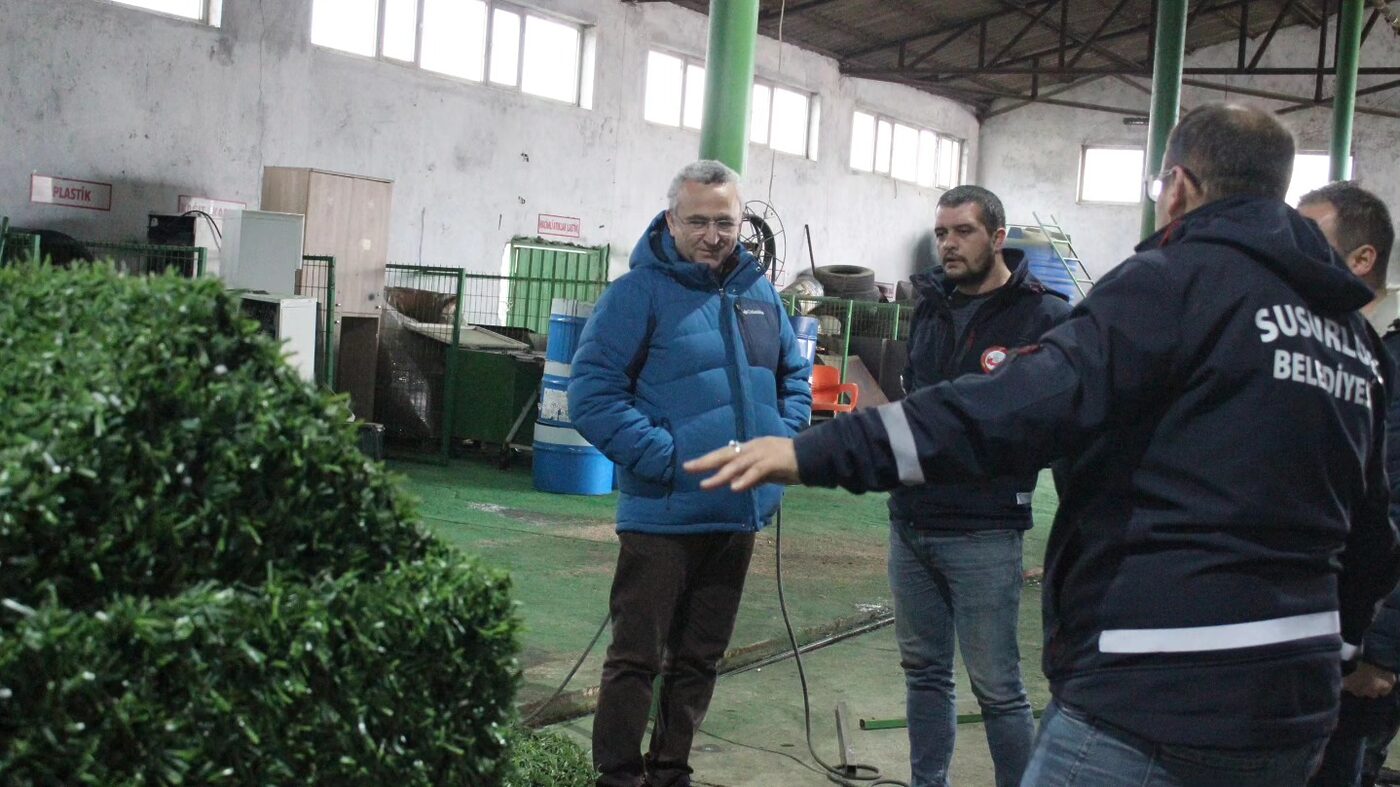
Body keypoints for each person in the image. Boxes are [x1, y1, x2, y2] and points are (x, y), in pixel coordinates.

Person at [686, 104, 1400, 786]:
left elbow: (1014, 404)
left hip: (1155, 684)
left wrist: (821, 449)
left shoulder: (1176, 284)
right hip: (1293, 704)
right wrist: (1339, 650)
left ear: (1178, 186)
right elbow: (1371, 535)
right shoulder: (1347, 337)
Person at [567, 159, 812, 787]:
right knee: (635, 660)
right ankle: (619, 777)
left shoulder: (760, 294)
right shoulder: (637, 294)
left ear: (742, 222)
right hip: (663, 514)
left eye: (725, 221)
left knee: (700, 658)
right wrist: (669, 460)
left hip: (739, 512)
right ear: (672, 219)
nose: (712, 234)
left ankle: (671, 770)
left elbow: (794, 376)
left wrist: (779, 440)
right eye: (698, 220)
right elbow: (591, 395)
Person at [889, 185, 1069, 787]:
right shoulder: (930, 305)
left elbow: (1062, 421)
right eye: (941, 233)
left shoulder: (1044, 317)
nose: (948, 244)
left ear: (997, 238)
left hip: (984, 529)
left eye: (962, 231)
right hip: (910, 522)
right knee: (924, 672)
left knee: (997, 686)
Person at [1299, 181, 1400, 787]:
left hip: (1357, 658)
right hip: (1311, 645)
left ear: (1362, 260)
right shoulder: (1315, 349)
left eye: (1310, 238)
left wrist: (1376, 650)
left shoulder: (1383, 364)